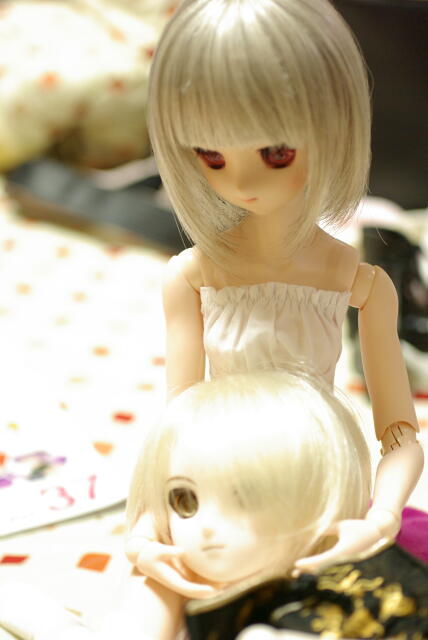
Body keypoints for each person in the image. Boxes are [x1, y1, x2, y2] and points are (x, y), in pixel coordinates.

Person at [126, 0, 424, 593]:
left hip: (316, 478)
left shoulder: (360, 283)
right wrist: (144, 528)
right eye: (211, 156)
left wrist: (382, 515)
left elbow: (399, 433)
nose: (241, 181)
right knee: (163, 595)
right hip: (220, 476)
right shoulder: (191, 277)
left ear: (332, 131)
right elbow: (179, 420)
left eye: (276, 154)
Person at [0, 368, 373, 640]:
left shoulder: (325, 592)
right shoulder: (177, 577)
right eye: (185, 501)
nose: (206, 526)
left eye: (246, 499)